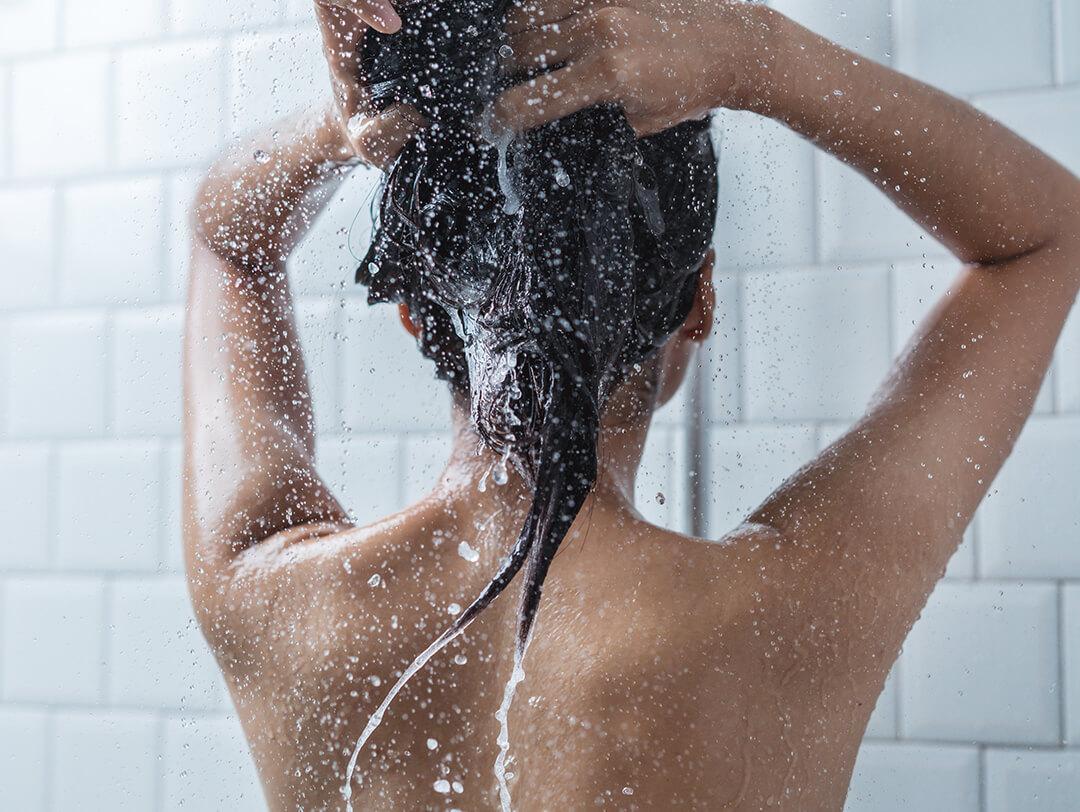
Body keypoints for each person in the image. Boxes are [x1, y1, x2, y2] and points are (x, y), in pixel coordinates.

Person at [183, 0, 1080, 809]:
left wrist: (348, 122)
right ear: (701, 299)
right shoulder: (789, 616)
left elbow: (228, 238)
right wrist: (760, 55)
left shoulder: (274, 594)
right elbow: (1046, 234)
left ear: (419, 312)